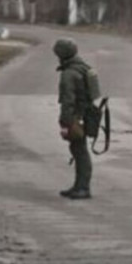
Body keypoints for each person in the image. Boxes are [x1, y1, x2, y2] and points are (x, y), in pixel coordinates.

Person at [54, 38, 93, 200]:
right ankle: (79, 186)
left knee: (80, 151)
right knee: (79, 150)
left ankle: (83, 188)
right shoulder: (82, 67)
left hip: (76, 117)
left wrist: (65, 122)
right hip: (85, 115)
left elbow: (67, 101)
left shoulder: (69, 74)